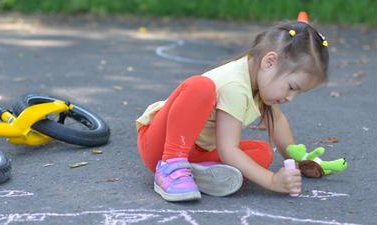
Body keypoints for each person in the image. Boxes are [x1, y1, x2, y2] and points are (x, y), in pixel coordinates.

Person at [136, 20, 329, 202]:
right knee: (200, 87)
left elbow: (277, 122)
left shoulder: (260, 81)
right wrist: (272, 181)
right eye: (292, 87)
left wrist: (296, 161)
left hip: (197, 149)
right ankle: (172, 167)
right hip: (161, 145)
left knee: (262, 153)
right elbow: (228, 150)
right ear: (269, 62)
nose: (290, 97)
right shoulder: (236, 84)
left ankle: (196, 172)